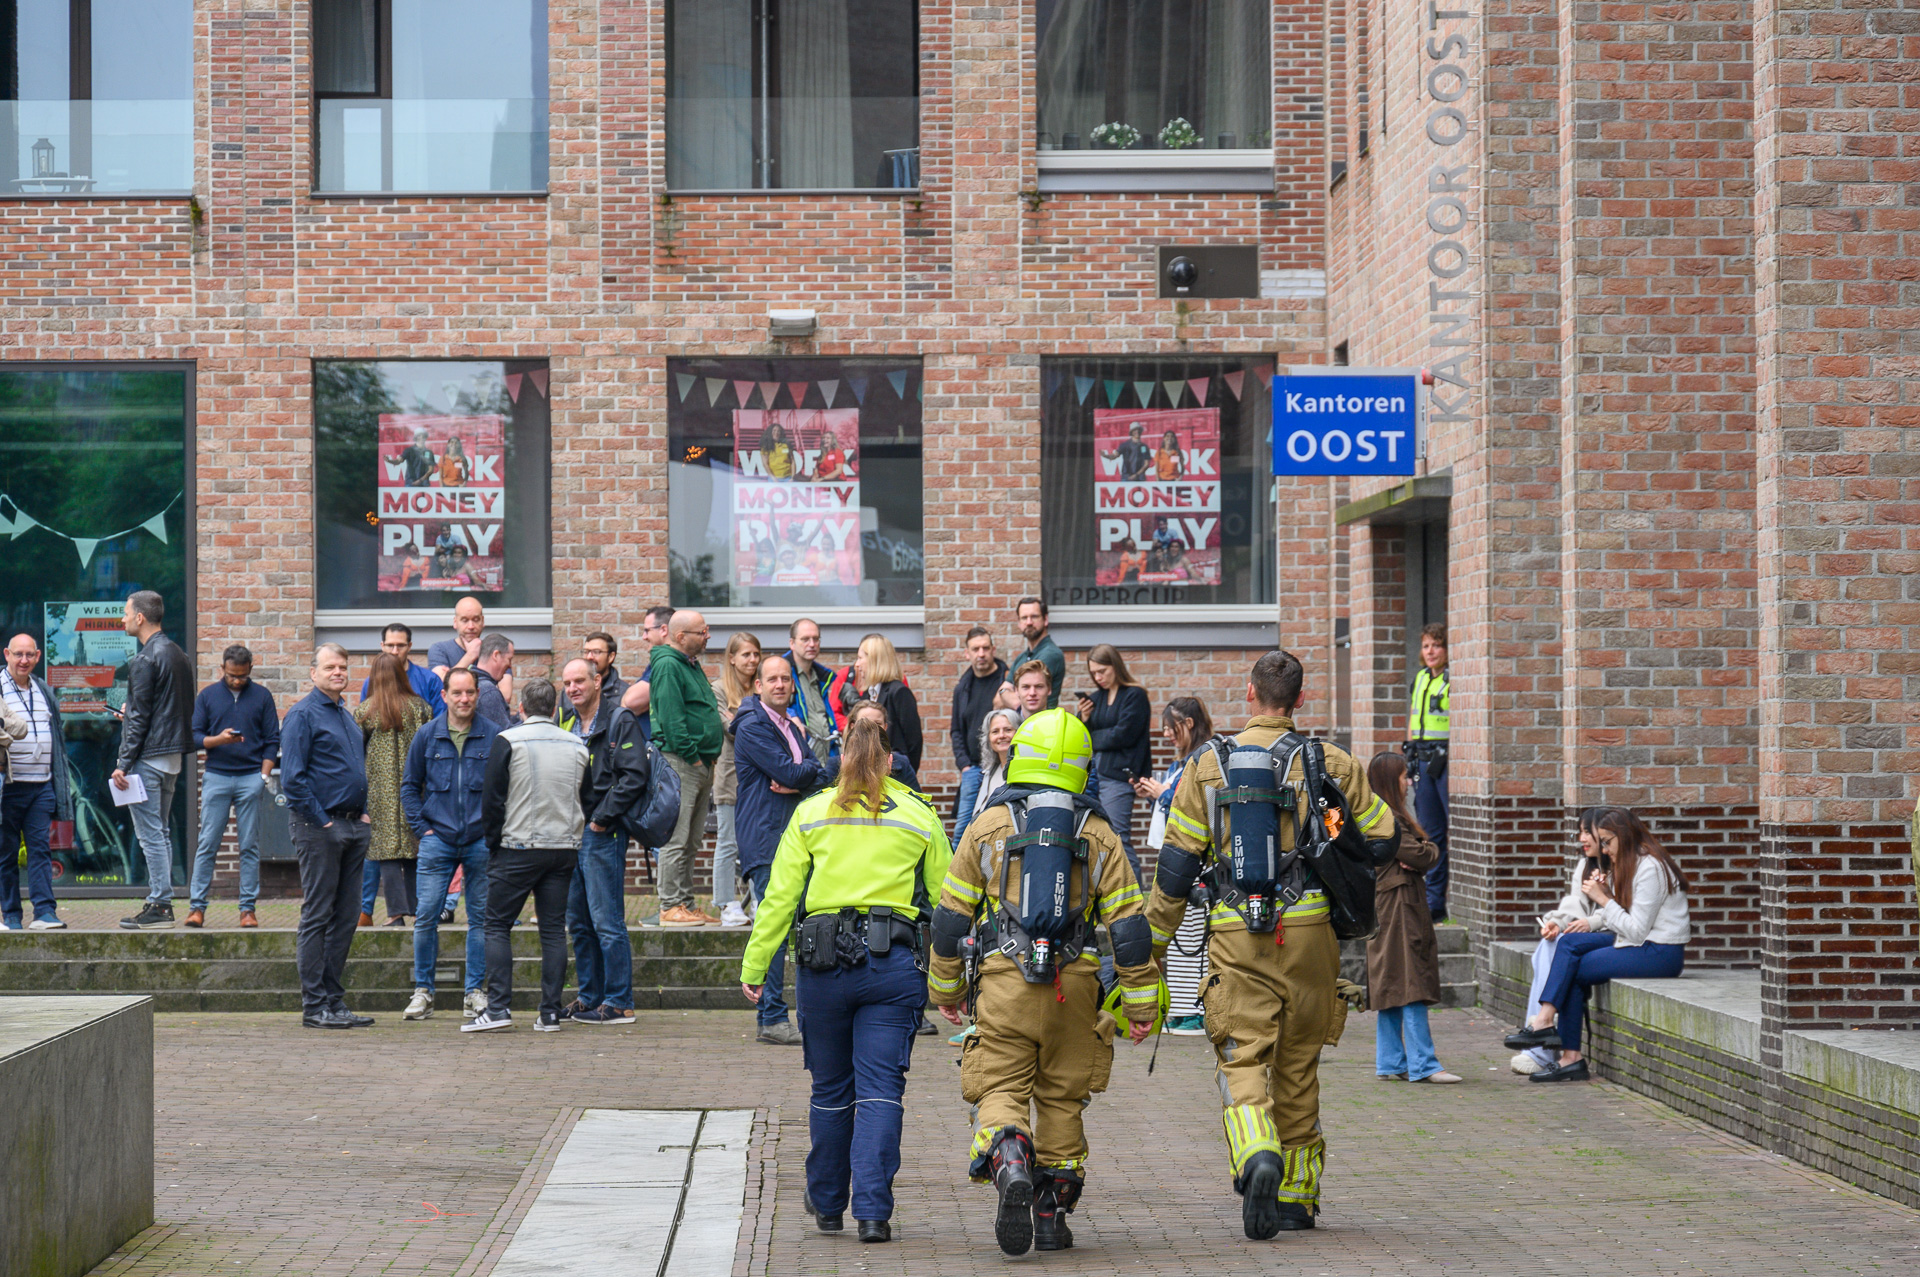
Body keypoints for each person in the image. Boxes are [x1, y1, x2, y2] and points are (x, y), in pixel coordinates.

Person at [1146, 649, 1398, 1236]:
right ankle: (1296, 1198)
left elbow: (1176, 869)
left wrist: (1151, 948)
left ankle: (1257, 1152)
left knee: (1244, 1053)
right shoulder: (1329, 760)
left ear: (1250, 694)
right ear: (1300, 700)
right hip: (1312, 934)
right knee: (1299, 1063)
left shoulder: (1207, 766)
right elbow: (1383, 838)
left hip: (1237, 934)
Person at [927, 708, 1159, 1255]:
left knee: (1000, 1085)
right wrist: (1143, 1003)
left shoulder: (988, 825)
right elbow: (1128, 929)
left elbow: (949, 920)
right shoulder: (1099, 833)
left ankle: (1009, 1157)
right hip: (1074, 987)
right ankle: (1052, 1216)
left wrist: (946, 990)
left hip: (1005, 983)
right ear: (1084, 767)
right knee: (1062, 1097)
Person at [738, 716, 949, 1243]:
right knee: (881, 1091)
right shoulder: (920, 816)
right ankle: (873, 1214)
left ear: (840, 757)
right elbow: (951, 903)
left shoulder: (810, 813)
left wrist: (755, 966)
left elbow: (780, 900)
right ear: (891, 758)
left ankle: (828, 1204)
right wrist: (954, 979)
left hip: (823, 966)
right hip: (893, 968)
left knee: (831, 1091)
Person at [1504, 808, 1690, 1082]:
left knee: (1573, 968)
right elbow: (1625, 913)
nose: (1603, 849)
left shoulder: (1650, 868)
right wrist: (1593, 918)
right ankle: (1563, 1049)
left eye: (1607, 841)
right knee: (1568, 944)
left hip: (1660, 952)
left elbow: (1636, 931)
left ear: (1624, 837)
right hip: (1640, 943)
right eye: (1601, 841)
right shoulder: (1632, 863)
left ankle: (1553, 1035)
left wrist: (1604, 899)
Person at [466, 678, 589, 1033]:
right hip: (563, 850)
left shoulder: (508, 740)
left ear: (520, 708)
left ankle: (499, 1008)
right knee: (552, 931)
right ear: (554, 709)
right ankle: (550, 1012)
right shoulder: (576, 744)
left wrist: (494, 842)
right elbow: (589, 796)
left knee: (496, 925)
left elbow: (492, 800)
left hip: (516, 847)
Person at [731, 654, 832, 1046]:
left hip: (791, 835)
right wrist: (800, 775)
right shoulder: (754, 726)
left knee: (795, 924)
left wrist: (800, 776)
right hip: (765, 836)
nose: (778, 685)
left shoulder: (789, 724)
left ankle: (792, 1011)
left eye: (784, 679)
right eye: (770, 679)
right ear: (757, 685)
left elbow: (819, 774)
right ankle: (771, 1017)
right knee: (772, 925)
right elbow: (796, 772)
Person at [281, 644, 374, 1029]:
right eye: (330, 667)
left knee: (347, 916)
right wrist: (325, 823)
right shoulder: (302, 715)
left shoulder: (346, 715)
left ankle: (335, 1002)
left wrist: (363, 814)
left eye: (343, 666)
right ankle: (314, 1005)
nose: (338, 672)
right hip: (319, 828)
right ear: (313, 673)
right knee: (319, 915)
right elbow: (292, 780)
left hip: (353, 826)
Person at [400, 666, 500, 1022]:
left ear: (477, 693)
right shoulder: (427, 736)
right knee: (426, 916)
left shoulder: (494, 736)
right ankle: (423, 992)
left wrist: (493, 831)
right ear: (443, 696)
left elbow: (506, 789)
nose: (464, 699)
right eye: (456, 693)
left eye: (470, 692)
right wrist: (422, 829)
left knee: (480, 920)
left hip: (479, 842)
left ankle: (474, 992)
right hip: (437, 840)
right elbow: (409, 788)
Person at [557, 657, 645, 1026]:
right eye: (567, 683)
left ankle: (619, 1001)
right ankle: (590, 996)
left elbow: (634, 776)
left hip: (601, 833)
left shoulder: (619, 720)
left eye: (580, 681)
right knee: (578, 921)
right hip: (570, 835)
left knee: (607, 920)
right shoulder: (566, 723)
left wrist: (600, 819)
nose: (573, 688)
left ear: (597, 682)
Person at [1364, 752, 1458, 1084]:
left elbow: (1414, 854)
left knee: (1392, 983)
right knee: (1410, 981)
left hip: (1388, 905)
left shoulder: (1377, 814)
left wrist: (1420, 850)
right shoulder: (1388, 818)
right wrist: (1426, 849)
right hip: (1399, 905)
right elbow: (1419, 854)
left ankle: (1390, 1061)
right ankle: (1424, 1064)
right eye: (1405, 776)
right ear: (1392, 780)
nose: (1410, 783)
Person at [113, 590, 197, 930]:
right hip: (172, 757)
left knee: (150, 834)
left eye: (125, 613)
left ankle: (160, 903)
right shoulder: (179, 654)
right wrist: (132, 712)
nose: (122, 619)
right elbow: (171, 707)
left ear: (140, 617)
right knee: (160, 832)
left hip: (147, 758)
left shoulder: (145, 659)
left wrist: (123, 762)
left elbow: (142, 718)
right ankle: (160, 901)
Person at [1132, 696, 1215, 1035]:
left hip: (1193, 862)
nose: (1166, 734)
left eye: (1171, 727)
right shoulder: (1180, 762)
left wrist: (1162, 794)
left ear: (1189, 724)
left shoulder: (1204, 759)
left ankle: (1197, 1010)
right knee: (1177, 938)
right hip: (1171, 856)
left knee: (1194, 936)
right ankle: (1180, 1009)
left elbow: (1192, 807)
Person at [185, 645, 280, 929]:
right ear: (222, 669)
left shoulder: (262, 696)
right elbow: (194, 738)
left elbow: (272, 740)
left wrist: (263, 778)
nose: (237, 680)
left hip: (251, 776)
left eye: (241, 675)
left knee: (249, 845)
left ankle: (247, 910)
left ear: (250, 668)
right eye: (231, 675)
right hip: (216, 775)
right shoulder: (208, 696)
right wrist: (219, 740)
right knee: (207, 844)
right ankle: (196, 908)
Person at [1512, 808, 1610, 1075]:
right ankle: (1539, 1046)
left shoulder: (1621, 864)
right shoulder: (1585, 866)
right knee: (1548, 945)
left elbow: (1618, 910)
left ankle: (1541, 1042)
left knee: (1563, 951)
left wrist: (1590, 922)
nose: (1582, 838)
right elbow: (1576, 905)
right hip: (1587, 933)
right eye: (1579, 832)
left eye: (1586, 832)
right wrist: (1558, 921)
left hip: (1611, 934)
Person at [649, 610, 724, 927]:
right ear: (681, 636)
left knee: (692, 839)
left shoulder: (689, 665)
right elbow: (672, 721)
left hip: (700, 763)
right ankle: (669, 905)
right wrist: (694, 757)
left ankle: (686, 903)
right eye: (702, 631)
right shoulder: (668, 666)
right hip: (683, 763)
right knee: (677, 837)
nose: (707, 636)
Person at [355, 653, 433, 927]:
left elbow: (357, 754)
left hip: (379, 794)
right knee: (413, 851)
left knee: (386, 854)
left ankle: (395, 914)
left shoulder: (364, 711)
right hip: (415, 789)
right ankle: (418, 910)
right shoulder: (421, 708)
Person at [1, 634, 72, 930]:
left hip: (41, 784)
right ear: (6, 654)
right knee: (4, 853)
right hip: (8, 786)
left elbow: (56, 730)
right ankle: (11, 916)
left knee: (40, 849)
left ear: (38, 656)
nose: (24, 660)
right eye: (18, 654)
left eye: (29, 654)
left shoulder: (43, 689)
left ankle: (44, 913)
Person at [1074, 643, 1151, 882]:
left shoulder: (1135, 695)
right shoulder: (1095, 699)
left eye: (1102, 671)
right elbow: (1081, 738)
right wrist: (1084, 718)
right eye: (1093, 673)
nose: (1098, 677)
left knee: (1117, 836)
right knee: (1091, 837)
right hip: (1094, 776)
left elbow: (1123, 734)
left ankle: (1136, 900)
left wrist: (1094, 738)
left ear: (1115, 667)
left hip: (1119, 777)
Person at [709, 633, 762, 929]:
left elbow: (763, 724)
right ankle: (726, 903)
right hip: (730, 775)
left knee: (755, 841)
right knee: (728, 841)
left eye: (756, 654)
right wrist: (754, 718)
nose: (752, 660)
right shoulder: (717, 689)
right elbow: (730, 729)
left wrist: (743, 716)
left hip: (759, 778)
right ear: (732, 658)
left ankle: (756, 901)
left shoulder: (761, 687)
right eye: (746, 654)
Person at [1404, 622, 1451, 920]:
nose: (1430, 651)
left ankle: (1441, 897)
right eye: (1426, 646)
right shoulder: (1420, 679)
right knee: (1430, 832)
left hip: (1446, 760)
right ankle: (1434, 903)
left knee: (1449, 827)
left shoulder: (1450, 680)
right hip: (1422, 760)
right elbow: (1412, 720)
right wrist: (1408, 757)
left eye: (1436, 644)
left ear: (1446, 649)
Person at [948, 627, 1008, 840]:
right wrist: (964, 765)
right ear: (967, 653)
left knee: (1000, 825)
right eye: (975, 649)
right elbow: (955, 730)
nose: (980, 653)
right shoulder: (962, 687)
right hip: (973, 768)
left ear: (993, 650)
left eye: (985, 648)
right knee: (962, 831)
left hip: (1002, 766)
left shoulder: (1006, 682)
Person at [839, 634, 922, 772]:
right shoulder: (868, 694)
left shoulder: (899, 692)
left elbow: (914, 741)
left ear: (874, 660)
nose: (857, 664)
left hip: (895, 773)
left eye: (860, 658)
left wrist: (907, 774)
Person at [782, 618, 838, 763]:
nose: (812, 644)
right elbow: (766, 705)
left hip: (827, 760)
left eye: (816, 639)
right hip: (798, 761)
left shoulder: (822, 677)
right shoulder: (780, 673)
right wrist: (790, 715)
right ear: (792, 643)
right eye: (805, 639)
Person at [361, 623, 446, 716]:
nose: (395, 651)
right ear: (382, 646)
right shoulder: (371, 682)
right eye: (390, 645)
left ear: (409, 646)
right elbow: (364, 718)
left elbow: (440, 719)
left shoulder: (430, 680)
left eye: (400, 646)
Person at [965, 708, 1020, 833]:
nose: (1002, 735)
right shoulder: (988, 773)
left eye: (1008, 730)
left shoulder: (1024, 772)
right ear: (988, 738)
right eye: (995, 731)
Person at [847, 702, 921, 791]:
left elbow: (917, 798)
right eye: (864, 723)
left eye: (877, 724)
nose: (872, 729)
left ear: (885, 727)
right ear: (852, 726)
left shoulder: (901, 763)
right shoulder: (836, 765)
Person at [1009, 598, 1065, 708]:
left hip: (1044, 721)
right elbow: (997, 700)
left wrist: (1005, 693)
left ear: (1045, 620)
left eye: (1034, 617)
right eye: (1024, 618)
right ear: (1019, 623)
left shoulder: (1050, 654)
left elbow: (1024, 704)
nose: (1029, 622)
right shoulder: (1022, 657)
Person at [428, 597, 487, 681]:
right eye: (465, 620)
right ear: (455, 622)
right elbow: (439, 683)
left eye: (476, 620)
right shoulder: (440, 650)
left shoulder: (493, 650)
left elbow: (505, 691)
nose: (471, 626)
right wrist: (470, 656)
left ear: (483, 621)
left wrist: (450, 674)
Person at [472, 633, 518, 729]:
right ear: (496, 655)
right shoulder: (488, 692)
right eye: (509, 659)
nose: (510, 665)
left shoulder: (474, 683)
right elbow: (504, 734)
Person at [583, 631, 628, 706]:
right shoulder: (571, 690)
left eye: (596, 652)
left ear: (611, 657)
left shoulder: (624, 693)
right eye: (586, 652)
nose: (589, 657)